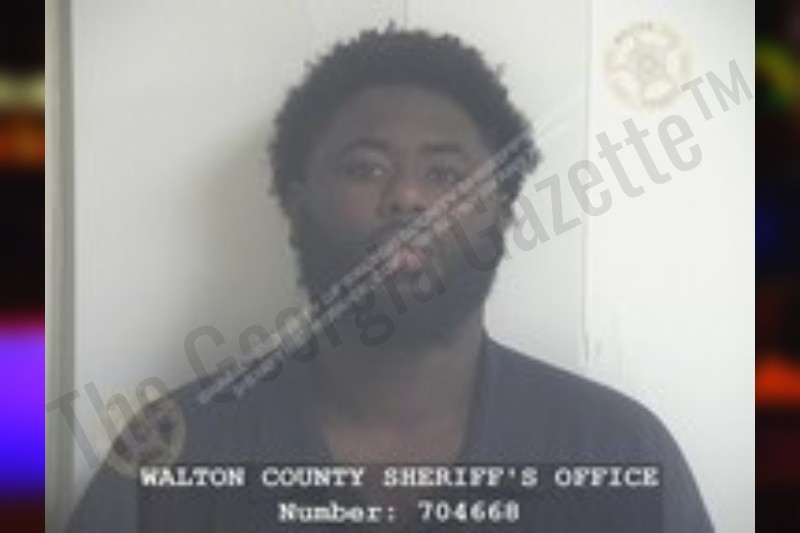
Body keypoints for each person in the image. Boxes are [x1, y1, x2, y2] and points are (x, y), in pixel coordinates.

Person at [66, 28, 713, 532]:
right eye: (365, 168)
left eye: (446, 175)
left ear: (501, 212)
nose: (407, 197)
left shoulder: (619, 454)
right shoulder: (175, 455)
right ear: (297, 204)